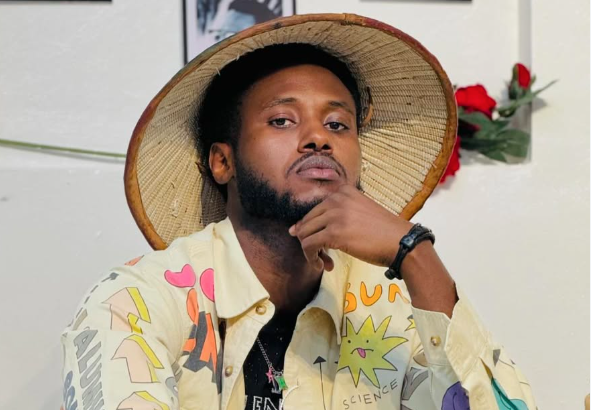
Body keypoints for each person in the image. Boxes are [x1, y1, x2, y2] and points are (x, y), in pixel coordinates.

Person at [61, 14, 536, 410]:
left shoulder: (394, 308)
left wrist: (414, 250)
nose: (318, 138)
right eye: (282, 120)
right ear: (223, 162)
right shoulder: (135, 303)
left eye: (338, 124)